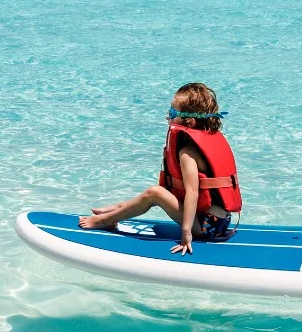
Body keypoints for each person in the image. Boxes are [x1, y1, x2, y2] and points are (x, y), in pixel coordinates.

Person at [79, 82, 242, 255]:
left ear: (190, 121)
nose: (167, 117)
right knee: (157, 193)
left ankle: (105, 221)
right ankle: (121, 208)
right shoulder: (207, 141)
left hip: (205, 227)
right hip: (221, 222)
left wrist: (186, 234)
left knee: (154, 193)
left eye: (172, 113)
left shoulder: (187, 153)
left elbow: (193, 192)